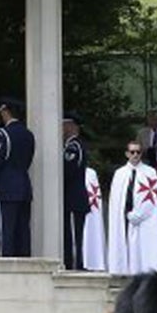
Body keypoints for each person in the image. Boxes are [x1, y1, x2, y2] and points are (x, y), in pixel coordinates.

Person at [105, 138, 157, 274]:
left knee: (142, 247)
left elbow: (154, 199)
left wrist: (141, 214)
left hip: (145, 219)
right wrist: (126, 213)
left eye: (138, 152)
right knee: (125, 244)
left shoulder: (150, 172)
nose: (135, 155)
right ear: (127, 154)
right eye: (132, 152)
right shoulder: (119, 174)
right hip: (124, 217)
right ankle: (123, 271)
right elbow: (116, 200)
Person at [0, 97, 35, 257]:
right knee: (23, 232)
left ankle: (6, 268)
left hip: (7, 188)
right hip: (24, 187)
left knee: (5, 232)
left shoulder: (3, 134)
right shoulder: (29, 135)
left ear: (6, 112)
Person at [61, 113, 90, 270]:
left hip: (73, 199)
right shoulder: (70, 146)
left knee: (72, 237)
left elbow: (68, 170)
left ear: (71, 126)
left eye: (63, 125)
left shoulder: (74, 146)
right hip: (72, 199)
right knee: (69, 235)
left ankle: (74, 266)